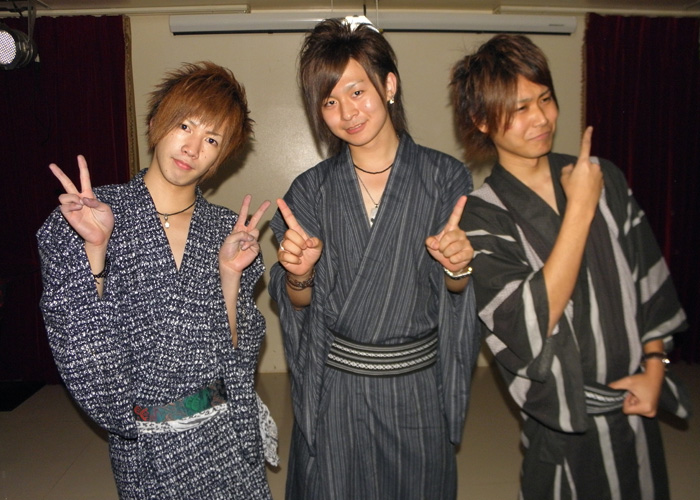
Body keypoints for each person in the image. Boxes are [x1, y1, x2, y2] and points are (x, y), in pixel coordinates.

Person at [450, 34, 689, 499]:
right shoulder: (481, 215)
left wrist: (655, 365)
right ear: (481, 120)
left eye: (545, 98)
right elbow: (527, 322)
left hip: (635, 407)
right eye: (519, 108)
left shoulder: (603, 177)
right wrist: (579, 208)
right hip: (563, 430)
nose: (541, 118)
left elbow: (649, 280)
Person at [37, 62, 275, 499]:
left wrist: (228, 276)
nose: (192, 147)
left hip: (223, 438)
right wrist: (95, 248)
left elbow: (238, 358)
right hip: (146, 448)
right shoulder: (88, 215)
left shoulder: (226, 231)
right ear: (154, 124)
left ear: (221, 157)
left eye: (212, 139)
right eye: (184, 125)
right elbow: (78, 344)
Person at [268, 16, 480, 499]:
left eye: (357, 91)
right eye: (329, 101)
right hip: (338, 391)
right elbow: (296, 304)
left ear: (389, 85)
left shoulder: (445, 178)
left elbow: (456, 293)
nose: (347, 111)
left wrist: (457, 268)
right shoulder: (310, 191)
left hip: (416, 389)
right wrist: (299, 277)